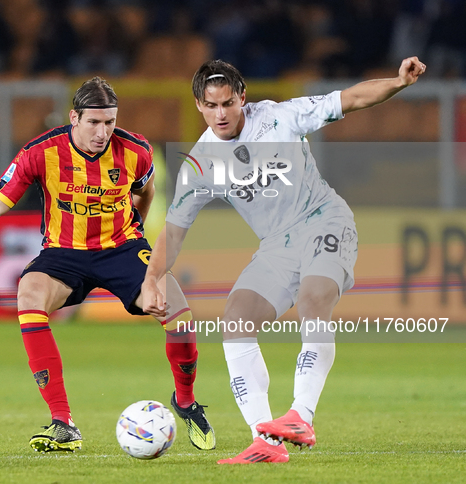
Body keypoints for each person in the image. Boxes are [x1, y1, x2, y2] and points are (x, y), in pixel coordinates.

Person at [141, 57, 426, 464]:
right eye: (211, 105)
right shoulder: (200, 165)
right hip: (277, 245)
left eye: (227, 103)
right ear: (199, 106)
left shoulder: (279, 118)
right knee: (236, 319)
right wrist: (153, 278)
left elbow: (350, 99)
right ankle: (264, 441)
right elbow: (172, 232)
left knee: (313, 300)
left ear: (243, 97)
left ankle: (301, 416)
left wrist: (398, 82)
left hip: (324, 219)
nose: (221, 113)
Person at [0, 77, 215, 453]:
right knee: (28, 295)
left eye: (109, 122)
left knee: (178, 314)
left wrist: (137, 238)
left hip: (122, 248)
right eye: (94, 122)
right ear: (74, 118)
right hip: (64, 252)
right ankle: (63, 422)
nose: (103, 132)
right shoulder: (40, 152)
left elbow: (146, 192)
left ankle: (186, 401)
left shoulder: (135, 150)